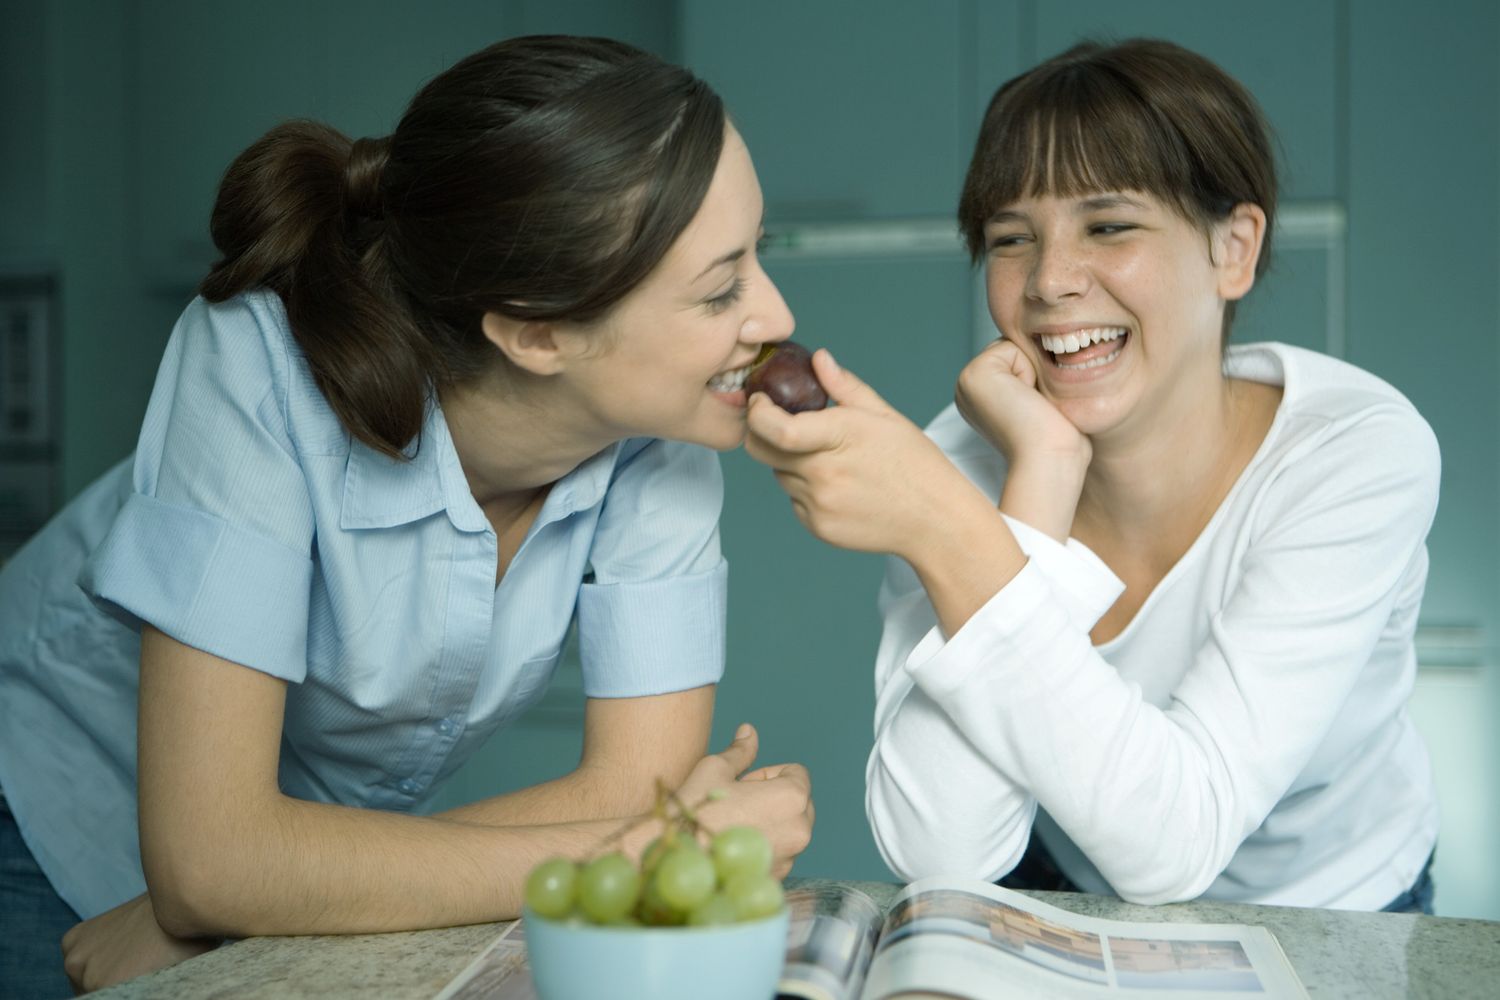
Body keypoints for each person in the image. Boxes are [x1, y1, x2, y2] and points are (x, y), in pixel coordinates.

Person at [0, 35, 814, 997]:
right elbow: (212, 856)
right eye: (720, 289)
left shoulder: (664, 429)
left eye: (756, 257)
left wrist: (250, 892)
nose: (777, 315)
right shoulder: (256, 364)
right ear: (537, 330)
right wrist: (648, 845)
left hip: (283, 889)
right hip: (40, 812)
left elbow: (627, 791)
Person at [745, 38, 1438, 914]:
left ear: (1235, 247)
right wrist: (1034, 482)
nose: (1049, 282)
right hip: (1069, 892)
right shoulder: (966, 456)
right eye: (1010, 239)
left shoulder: (1354, 455)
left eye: (1109, 226)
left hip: (1340, 907)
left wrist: (952, 531)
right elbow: (941, 850)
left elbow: (1174, 845)